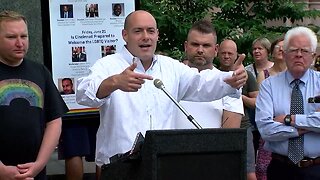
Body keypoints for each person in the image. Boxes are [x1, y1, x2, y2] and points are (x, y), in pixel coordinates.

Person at [76, 10, 247, 177]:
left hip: (162, 164)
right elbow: (83, 94)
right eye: (138, 31)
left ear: (157, 34)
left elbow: (202, 84)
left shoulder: (170, 67)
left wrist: (232, 78)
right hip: (120, 167)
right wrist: (114, 82)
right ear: (125, 35)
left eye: (150, 31)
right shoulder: (107, 65)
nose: (146, 36)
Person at [0, 10, 68, 179]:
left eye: (24, 36)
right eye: (11, 37)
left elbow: (54, 121)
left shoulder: (40, 72)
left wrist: (39, 164)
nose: (19, 43)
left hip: (34, 172)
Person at [255, 26, 320, 180]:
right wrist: (304, 128)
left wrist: (289, 119)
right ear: (284, 54)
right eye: (293, 50)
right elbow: (265, 129)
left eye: (304, 51)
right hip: (281, 168)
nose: (298, 55)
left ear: (313, 55)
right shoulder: (269, 85)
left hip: (316, 169)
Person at [175, 21, 243, 130]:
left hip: (213, 146)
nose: (200, 50)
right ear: (186, 46)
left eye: (206, 45)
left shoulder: (229, 82)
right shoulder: (172, 77)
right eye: (195, 44)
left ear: (216, 50)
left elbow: (230, 135)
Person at [218, 39, 257, 180]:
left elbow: (256, 102)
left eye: (230, 53)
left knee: (249, 173)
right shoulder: (213, 74)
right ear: (217, 53)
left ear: (236, 55)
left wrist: (236, 95)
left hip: (243, 128)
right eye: (223, 53)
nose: (226, 56)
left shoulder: (246, 75)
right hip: (218, 128)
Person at [255, 37, 285, 180]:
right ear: (272, 51)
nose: (280, 49)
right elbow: (264, 105)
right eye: (277, 47)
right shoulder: (264, 75)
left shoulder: (296, 75)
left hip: (290, 127)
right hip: (270, 126)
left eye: (284, 47)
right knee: (263, 167)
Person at [245, 37, 273, 159]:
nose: (256, 51)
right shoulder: (247, 70)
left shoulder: (274, 69)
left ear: (267, 51)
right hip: (252, 119)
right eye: (254, 49)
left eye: (260, 48)